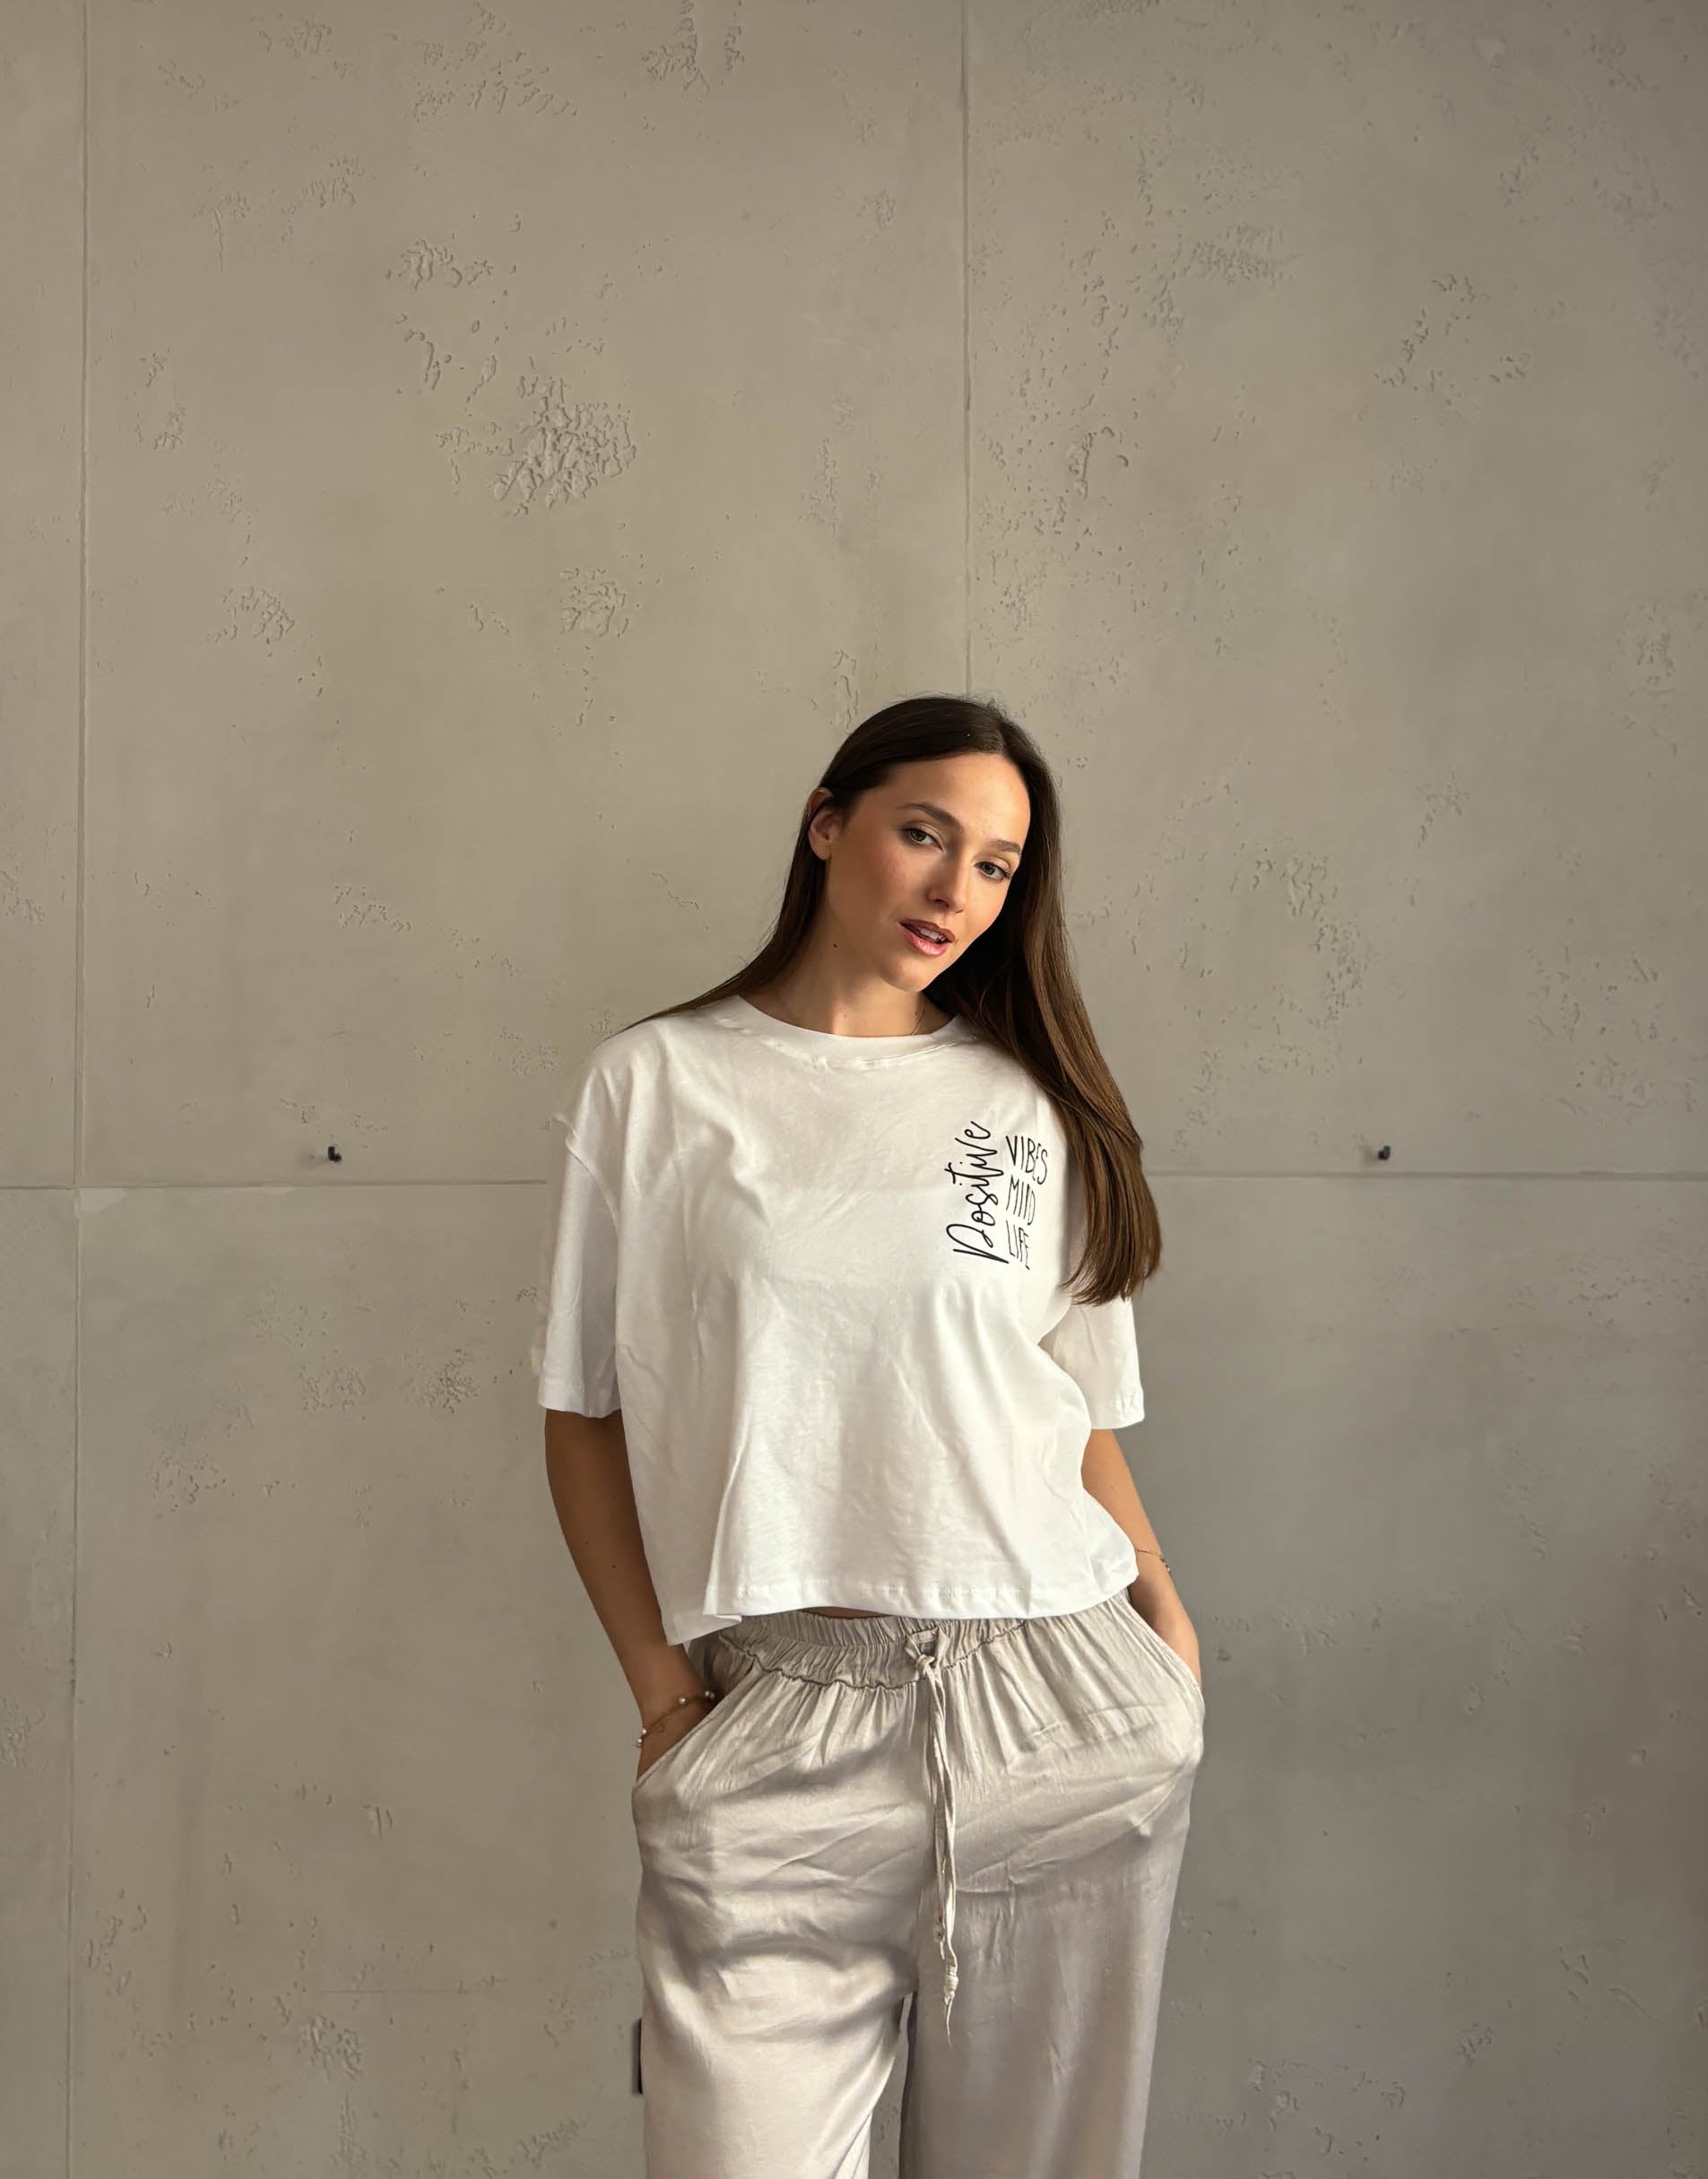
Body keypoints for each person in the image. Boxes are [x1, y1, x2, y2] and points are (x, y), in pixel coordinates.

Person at [533, 694, 1206, 2178]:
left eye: (996, 864)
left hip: (1061, 1704)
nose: (955, 889)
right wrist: (661, 1697)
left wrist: (1165, 1626)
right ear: (828, 822)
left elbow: (1072, 1405)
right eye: (924, 833)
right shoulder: (651, 1085)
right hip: (779, 1716)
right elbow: (582, 1412)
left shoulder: (1029, 1105)